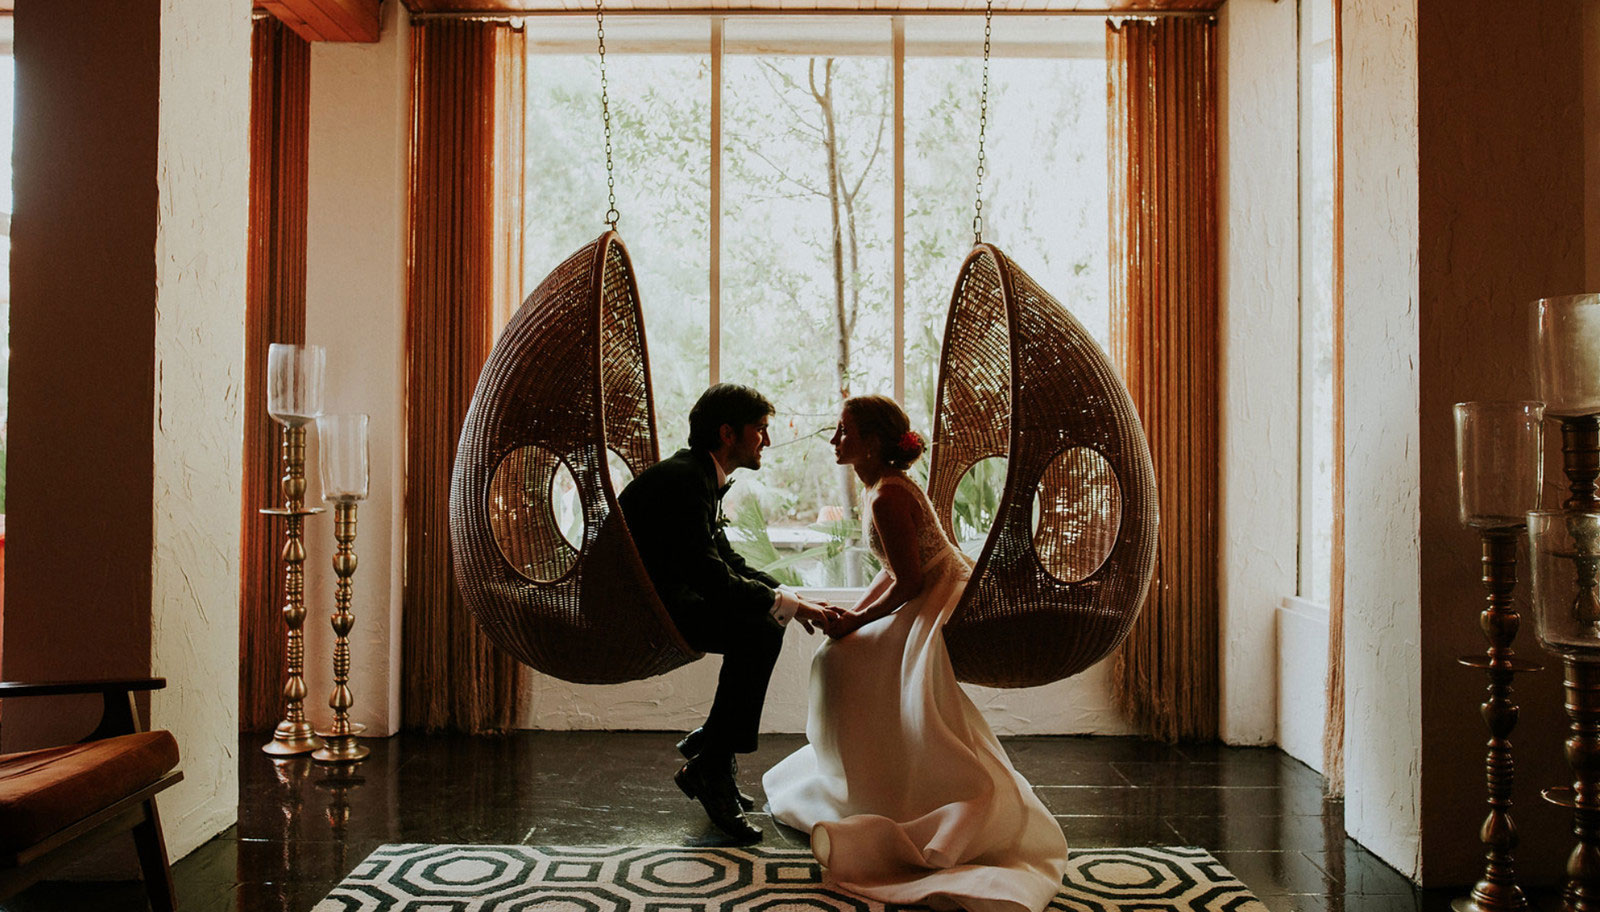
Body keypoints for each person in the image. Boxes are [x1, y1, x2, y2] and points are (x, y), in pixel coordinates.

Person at [762, 395, 1068, 912]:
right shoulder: (881, 488)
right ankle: (865, 774)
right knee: (839, 657)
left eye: (844, 431)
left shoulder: (885, 496)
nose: (835, 440)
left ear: (874, 443)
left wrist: (855, 622)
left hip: (938, 596)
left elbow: (908, 579)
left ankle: (887, 783)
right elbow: (890, 569)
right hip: (922, 587)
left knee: (842, 661)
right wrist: (852, 616)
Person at [618, 383, 833, 844]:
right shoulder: (685, 480)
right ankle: (711, 764)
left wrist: (789, 597)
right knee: (758, 631)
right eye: (761, 429)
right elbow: (709, 575)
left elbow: (724, 560)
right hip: (643, 612)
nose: (767, 441)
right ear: (728, 433)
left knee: (762, 626)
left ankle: (710, 751)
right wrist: (787, 606)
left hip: (667, 599)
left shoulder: (694, 474)